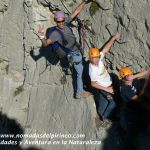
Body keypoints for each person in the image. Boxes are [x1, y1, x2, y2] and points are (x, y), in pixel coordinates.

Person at [38, 0, 92, 99]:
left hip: (76, 50)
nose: (61, 23)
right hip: (73, 54)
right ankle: (80, 91)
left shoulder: (66, 22)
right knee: (80, 70)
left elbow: (75, 12)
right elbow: (46, 44)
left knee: (80, 71)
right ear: (56, 21)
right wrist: (42, 36)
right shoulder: (55, 34)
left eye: (62, 20)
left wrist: (84, 2)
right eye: (59, 21)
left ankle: (80, 91)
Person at [88, 32, 120, 120]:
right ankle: (105, 117)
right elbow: (93, 84)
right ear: (90, 58)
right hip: (104, 88)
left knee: (103, 101)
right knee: (113, 102)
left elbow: (105, 49)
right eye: (94, 58)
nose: (96, 60)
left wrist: (113, 38)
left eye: (97, 57)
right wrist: (108, 89)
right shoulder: (92, 70)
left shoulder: (98, 58)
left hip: (107, 84)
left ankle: (101, 113)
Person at [119, 67, 149, 149]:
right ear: (123, 79)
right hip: (131, 114)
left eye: (130, 75)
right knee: (131, 132)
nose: (129, 78)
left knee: (143, 120)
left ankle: (143, 129)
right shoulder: (124, 89)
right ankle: (126, 146)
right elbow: (138, 99)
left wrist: (134, 76)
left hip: (138, 109)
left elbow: (146, 71)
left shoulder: (132, 79)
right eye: (127, 78)